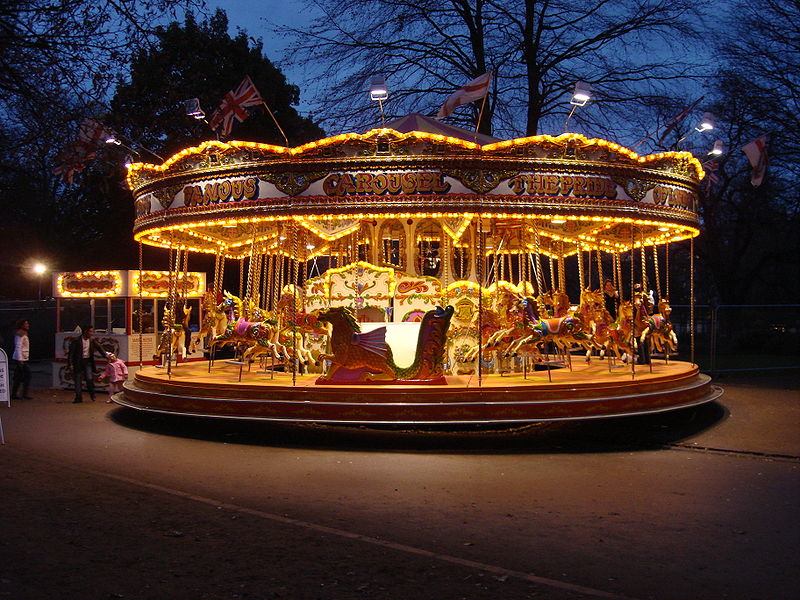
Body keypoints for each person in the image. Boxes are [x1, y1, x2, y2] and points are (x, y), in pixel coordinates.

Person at [68, 326, 106, 403]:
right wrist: (71, 364)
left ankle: (92, 393)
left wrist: (106, 355)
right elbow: (71, 354)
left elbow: (99, 348)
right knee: (78, 380)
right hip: (78, 362)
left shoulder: (92, 340)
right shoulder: (76, 341)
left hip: (87, 361)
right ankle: (78, 398)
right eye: (90, 331)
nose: (92, 333)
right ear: (85, 331)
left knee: (89, 378)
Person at [11, 319, 32, 400]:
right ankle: (24, 394)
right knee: (28, 374)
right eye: (26, 324)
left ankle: (15, 394)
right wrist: (20, 359)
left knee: (18, 377)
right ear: (22, 325)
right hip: (20, 358)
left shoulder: (23, 333)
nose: (28, 325)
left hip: (22, 358)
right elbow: (18, 346)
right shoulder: (20, 334)